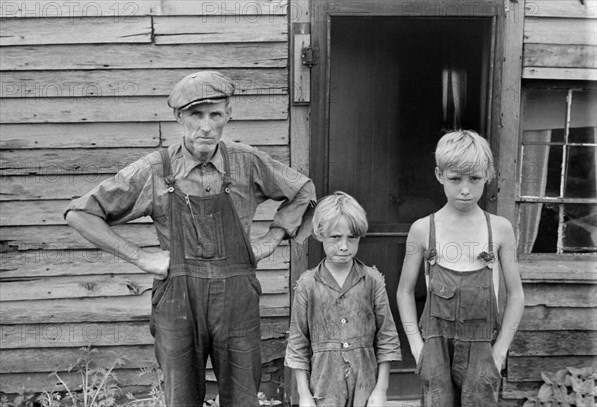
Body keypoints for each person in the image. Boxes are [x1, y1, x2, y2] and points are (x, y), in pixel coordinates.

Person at [64, 71, 316, 407]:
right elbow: (80, 213)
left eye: (215, 114)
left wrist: (274, 236)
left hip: (236, 299)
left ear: (229, 114)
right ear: (179, 117)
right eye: (196, 114)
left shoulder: (246, 161)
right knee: (181, 398)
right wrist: (141, 258)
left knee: (243, 398)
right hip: (178, 300)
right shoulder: (154, 169)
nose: (206, 127)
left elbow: (303, 190)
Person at [396, 130, 525, 406]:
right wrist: (417, 346)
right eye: (455, 179)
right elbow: (404, 293)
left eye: (475, 179)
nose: (465, 189)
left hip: (483, 349)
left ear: (488, 175)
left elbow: (516, 296)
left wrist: (500, 351)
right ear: (439, 175)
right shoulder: (422, 230)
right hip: (436, 349)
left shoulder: (500, 229)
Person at [285, 191, 402, 407]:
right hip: (323, 390)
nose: (344, 246)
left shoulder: (372, 280)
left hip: (365, 389)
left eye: (352, 238)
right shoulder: (307, 284)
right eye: (335, 237)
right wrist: (304, 396)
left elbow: (387, 338)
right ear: (319, 234)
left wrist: (381, 390)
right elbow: (297, 343)